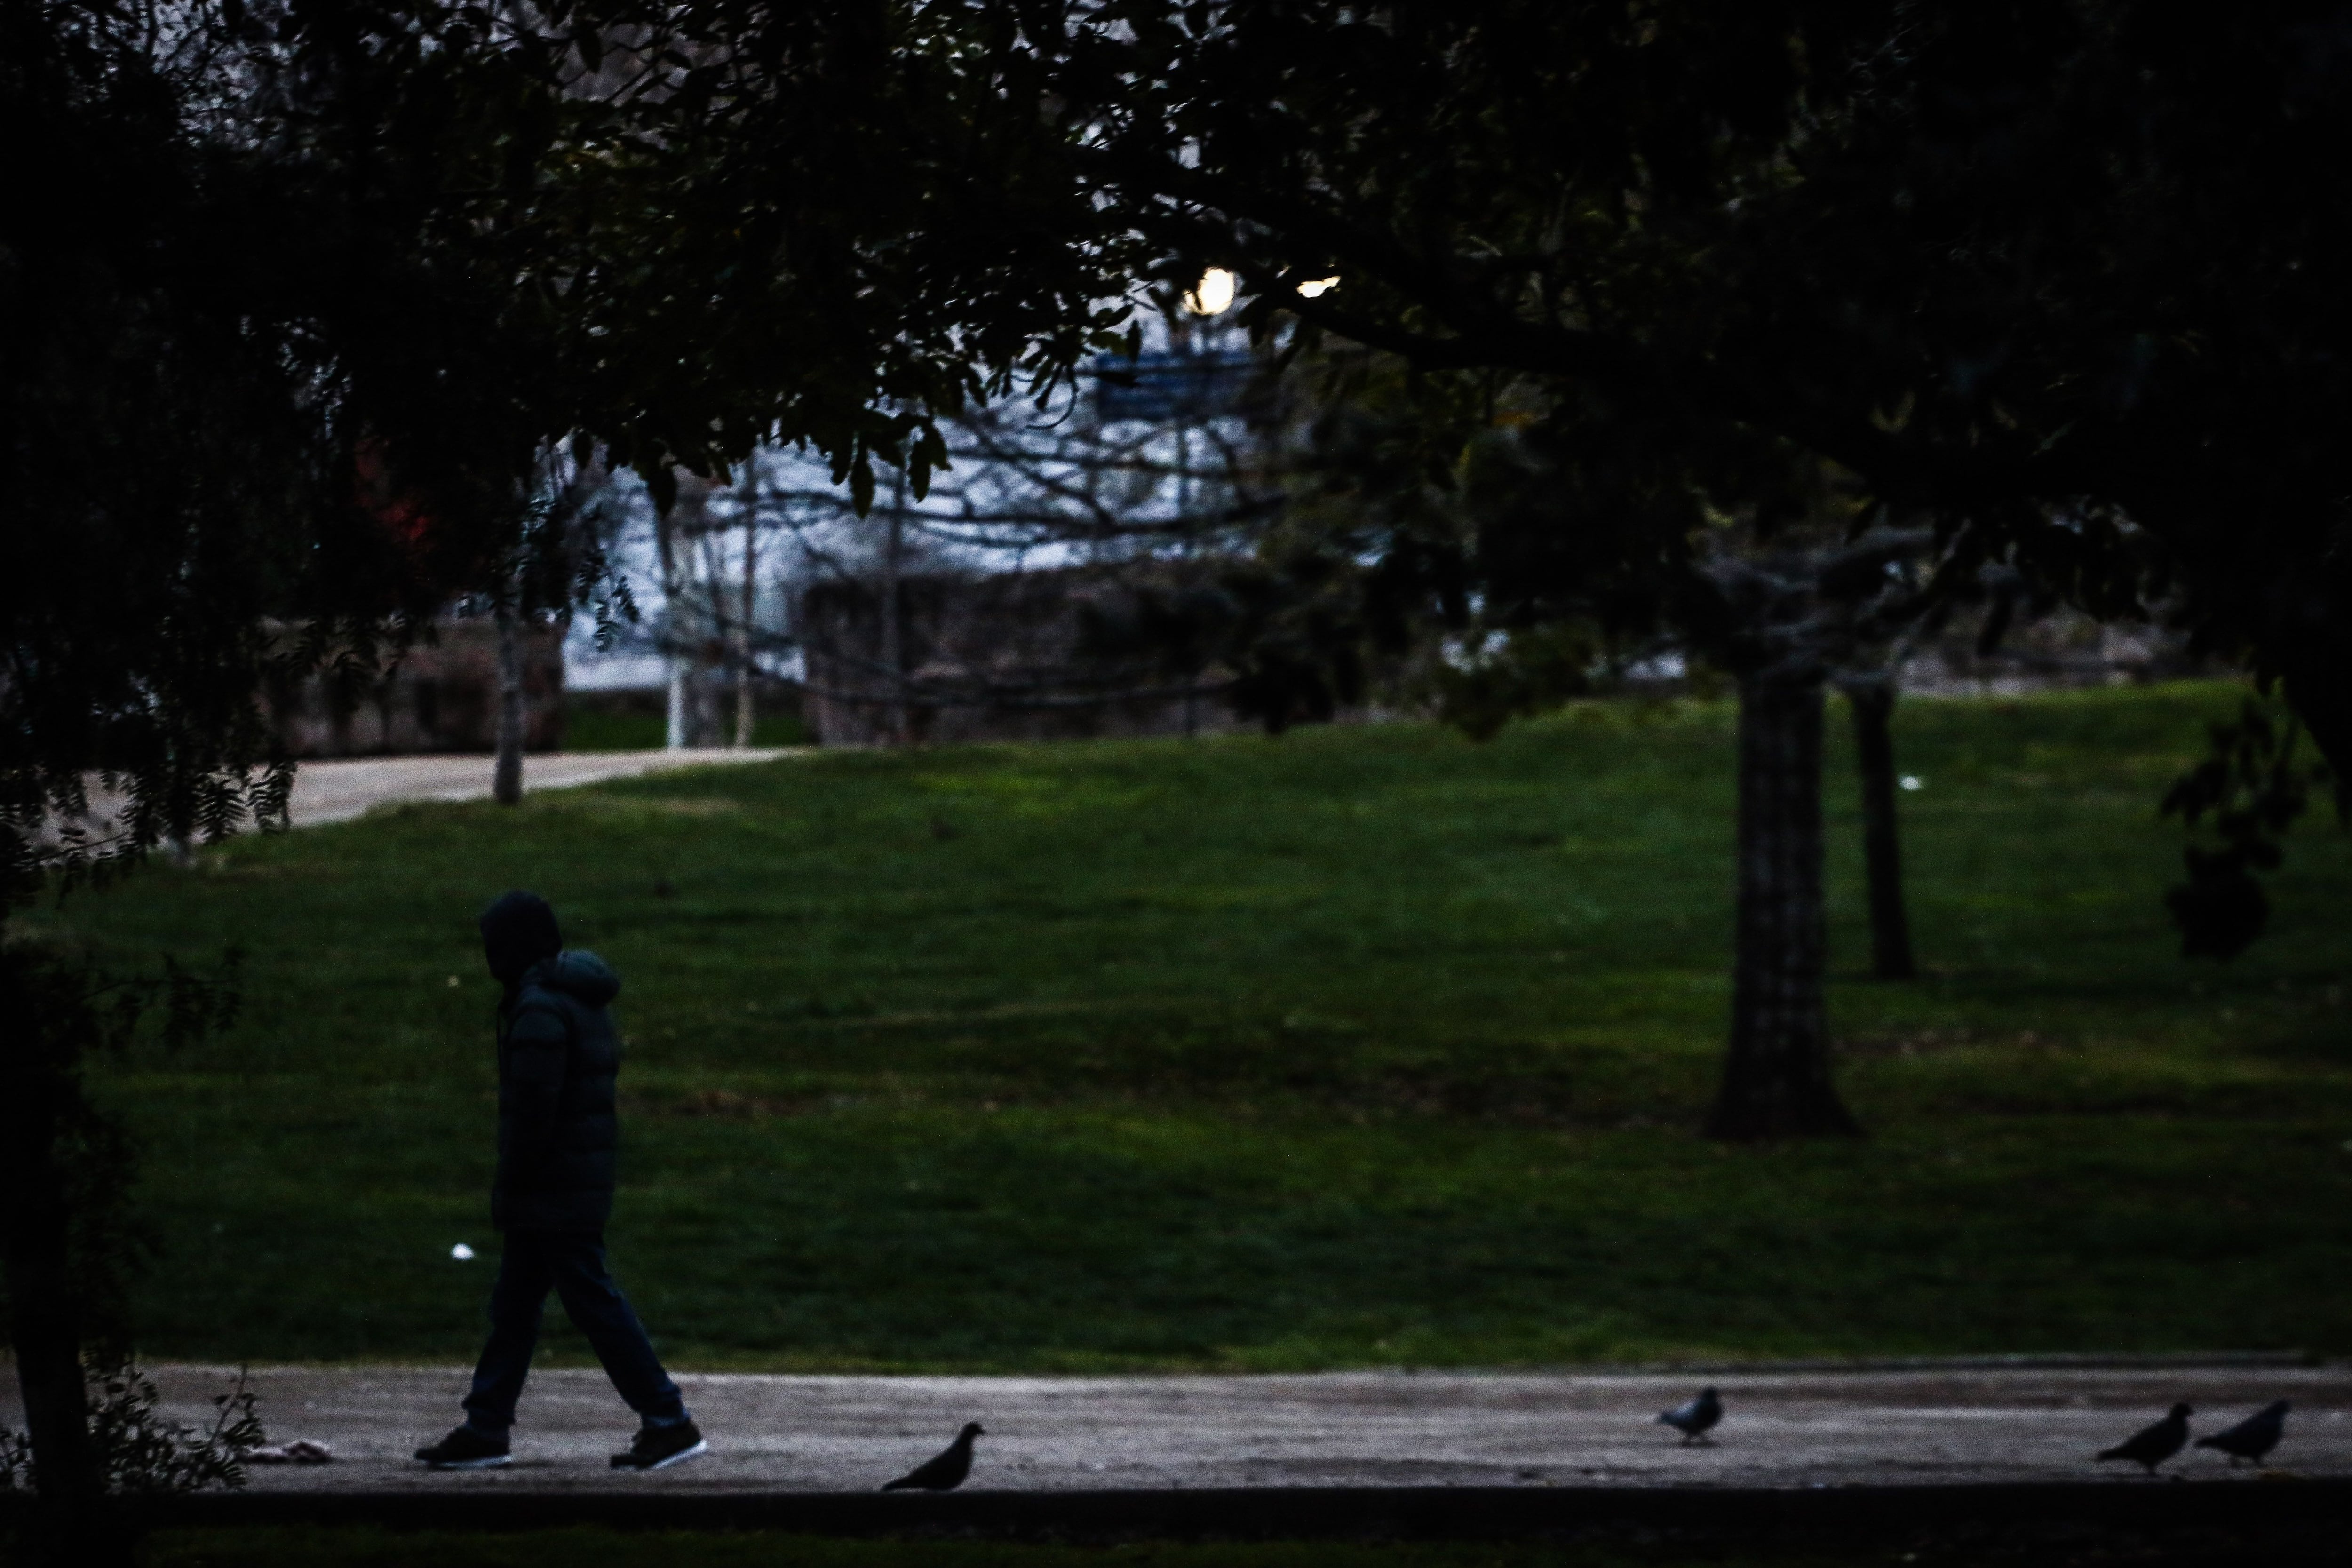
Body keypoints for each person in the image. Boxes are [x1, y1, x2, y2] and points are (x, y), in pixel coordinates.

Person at [414, 891, 705, 1472]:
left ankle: (668, 1420)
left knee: (586, 1301)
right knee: (517, 1306)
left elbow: (533, 1113)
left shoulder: (539, 1009)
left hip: (552, 1188)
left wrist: (513, 1184)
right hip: (572, 1180)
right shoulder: (574, 999)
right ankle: (486, 1425)